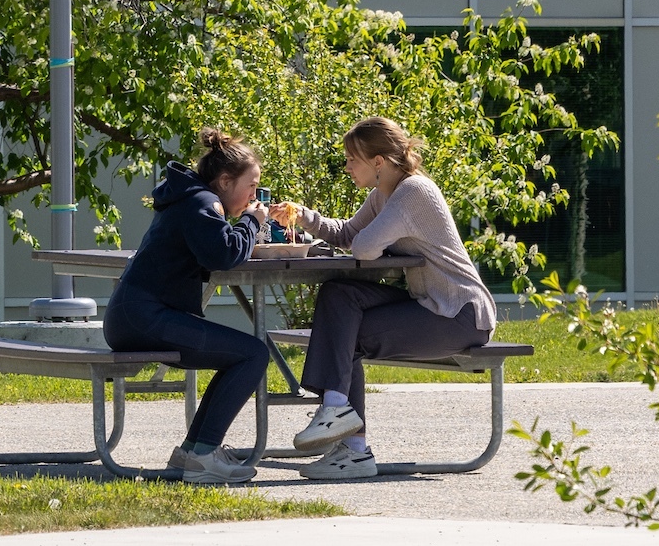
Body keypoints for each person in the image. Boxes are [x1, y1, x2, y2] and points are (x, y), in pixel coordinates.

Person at [268, 116, 495, 481]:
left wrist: (362, 241)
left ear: (378, 162)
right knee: (340, 296)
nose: (346, 166)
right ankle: (344, 429)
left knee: (347, 330)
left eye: (351, 159)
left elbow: (366, 247)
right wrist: (303, 215)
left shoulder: (413, 192)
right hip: (431, 306)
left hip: (460, 313)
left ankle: (346, 431)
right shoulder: (384, 195)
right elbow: (347, 234)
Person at [103, 128, 270, 484]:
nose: (254, 195)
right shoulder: (202, 203)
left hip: (134, 317)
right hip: (145, 318)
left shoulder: (191, 198)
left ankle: (194, 450)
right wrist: (252, 222)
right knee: (252, 354)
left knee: (240, 354)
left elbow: (213, 248)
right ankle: (204, 453)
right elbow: (223, 254)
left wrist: (242, 228)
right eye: (251, 186)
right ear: (225, 181)